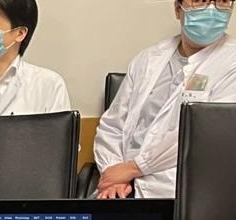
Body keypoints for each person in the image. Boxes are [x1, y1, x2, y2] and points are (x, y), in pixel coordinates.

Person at [95, 0, 236, 199]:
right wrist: (112, 171)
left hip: (178, 190)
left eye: (222, 1)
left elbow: (201, 136)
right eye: (200, 1)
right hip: (120, 187)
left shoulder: (233, 62)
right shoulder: (149, 58)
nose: (212, 10)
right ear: (178, 9)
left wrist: (134, 168)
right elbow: (113, 125)